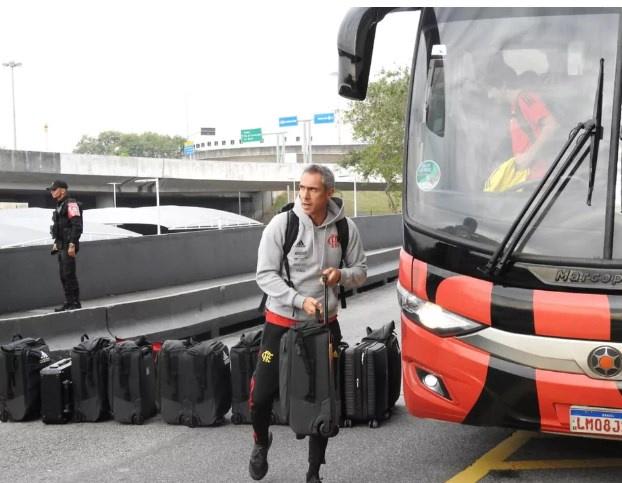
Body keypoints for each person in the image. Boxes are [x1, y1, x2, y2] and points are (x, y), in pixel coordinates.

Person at [249, 164, 367, 482]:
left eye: (312, 189)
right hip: (281, 322)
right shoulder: (282, 225)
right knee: (260, 398)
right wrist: (300, 301)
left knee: (321, 401)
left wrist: (341, 275)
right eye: (301, 188)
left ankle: (314, 472)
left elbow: (361, 270)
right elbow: (264, 275)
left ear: (329, 192)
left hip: (324, 325)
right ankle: (261, 442)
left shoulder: (344, 229)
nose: (304, 195)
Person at [487, 59, 559, 183]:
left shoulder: (525, 99)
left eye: (491, 89)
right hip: (526, 179)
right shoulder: (514, 106)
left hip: (538, 179)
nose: (489, 95)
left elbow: (551, 125)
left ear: (503, 86)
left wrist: (529, 155)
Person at [47, 179, 83, 311]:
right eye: (51, 190)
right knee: (63, 275)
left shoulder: (71, 204)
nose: (52, 192)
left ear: (63, 190)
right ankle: (69, 302)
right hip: (61, 244)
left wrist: (72, 244)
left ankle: (75, 303)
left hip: (69, 244)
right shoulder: (60, 205)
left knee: (69, 274)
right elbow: (59, 227)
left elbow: (77, 225)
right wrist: (56, 243)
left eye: (54, 189)